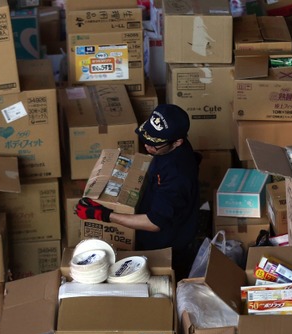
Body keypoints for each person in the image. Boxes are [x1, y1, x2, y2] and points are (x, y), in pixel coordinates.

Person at [77, 104, 201, 280]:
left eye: (155, 145)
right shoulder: (169, 149)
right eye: (146, 140)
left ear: (178, 142)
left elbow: (154, 222)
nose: (148, 147)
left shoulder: (177, 174)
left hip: (166, 246)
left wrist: (104, 214)